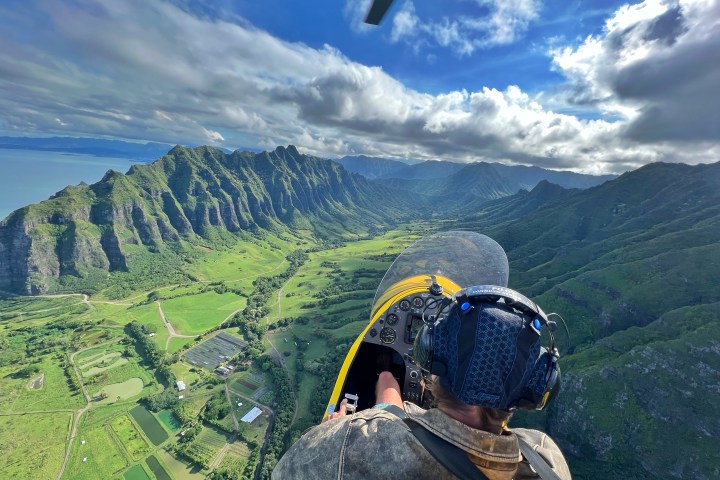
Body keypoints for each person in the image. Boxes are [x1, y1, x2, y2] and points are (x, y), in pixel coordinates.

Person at [273, 299, 571, 480]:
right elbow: (396, 415)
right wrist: (388, 400)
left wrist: (333, 434)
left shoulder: (350, 445)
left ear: (430, 355)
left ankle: (385, 376)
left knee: (387, 392)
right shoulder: (545, 459)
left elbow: (282, 474)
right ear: (534, 388)